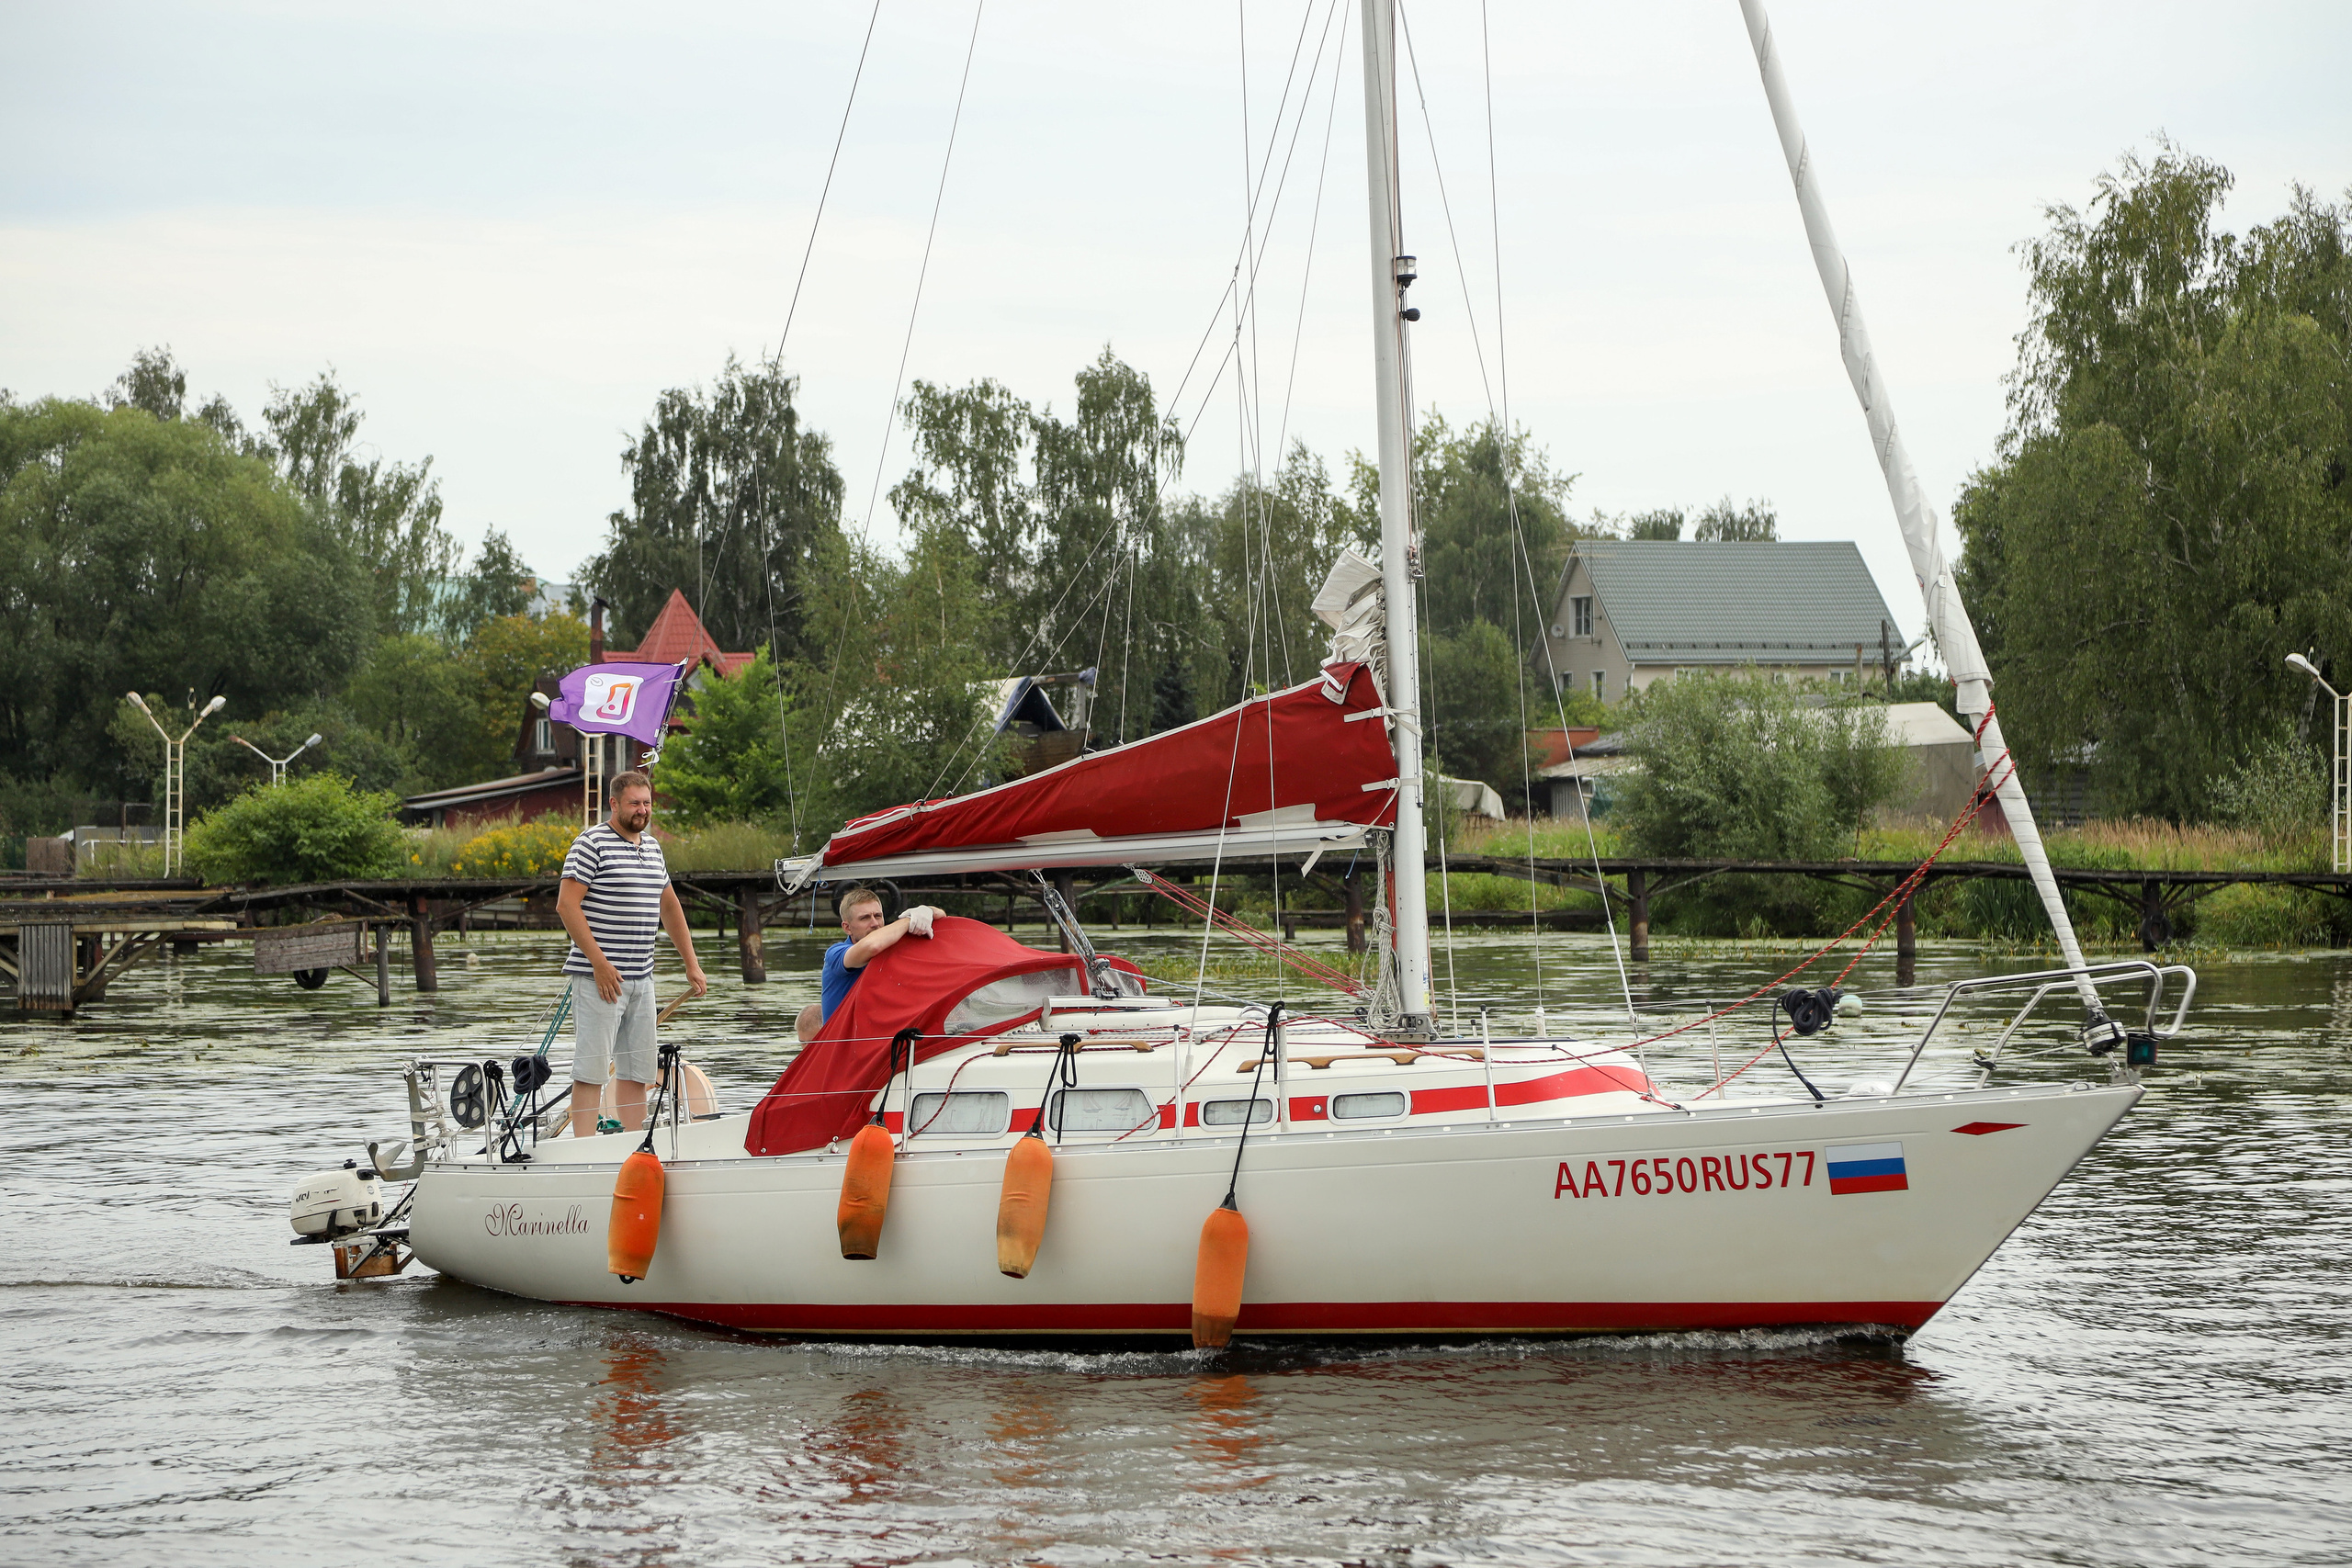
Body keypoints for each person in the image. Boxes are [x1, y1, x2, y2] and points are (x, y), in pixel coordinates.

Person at [556, 772, 707, 1136]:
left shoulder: (653, 848)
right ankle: (584, 1150)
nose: (642, 810)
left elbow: (669, 908)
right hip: (600, 979)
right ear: (614, 804)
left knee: (638, 1070)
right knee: (591, 1068)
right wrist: (600, 964)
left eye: (646, 803)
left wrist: (692, 964)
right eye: (634, 803)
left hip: (643, 977)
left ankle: (632, 1146)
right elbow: (566, 906)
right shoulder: (590, 844)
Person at [793, 887, 944, 1043]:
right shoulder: (836, 954)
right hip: (844, 1056)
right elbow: (871, 947)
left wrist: (926, 910)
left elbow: (942, 918)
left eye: (878, 916)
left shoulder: (891, 947)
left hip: (883, 1049)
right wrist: (908, 921)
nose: (874, 923)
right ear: (847, 928)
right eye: (864, 918)